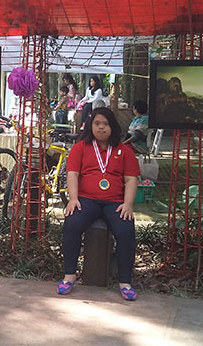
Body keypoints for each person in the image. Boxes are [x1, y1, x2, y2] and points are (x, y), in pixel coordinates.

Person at [58, 107, 140, 301]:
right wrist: (73, 198)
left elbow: (131, 180)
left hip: (115, 203)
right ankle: (69, 276)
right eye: (97, 124)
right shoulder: (80, 147)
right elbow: (73, 174)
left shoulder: (124, 150)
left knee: (125, 230)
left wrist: (128, 204)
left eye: (105, 124)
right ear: (90, 126)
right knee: (72, 223)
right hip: (87, 199)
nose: (101, 128)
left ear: (112, 126)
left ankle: (125, 282)